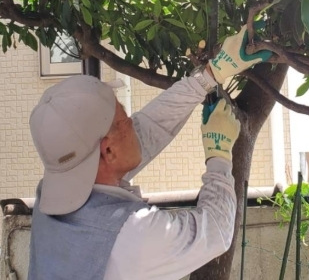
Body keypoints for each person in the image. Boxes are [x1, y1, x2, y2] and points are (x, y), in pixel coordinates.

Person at [27, 25, 271, 280]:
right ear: (108, 150)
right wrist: (219, 154)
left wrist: (209, 75)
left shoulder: (53, 197)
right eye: (125, 122)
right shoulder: (133, 235)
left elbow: (148, 130)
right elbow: (215, 231)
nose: (133, 122)